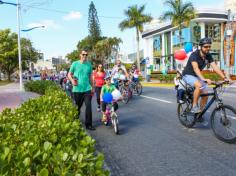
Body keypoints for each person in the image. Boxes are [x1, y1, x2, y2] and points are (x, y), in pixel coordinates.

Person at [182, 37, 229, 115]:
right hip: (188, 75)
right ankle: (194, 106)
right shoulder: (195, 55)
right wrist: (204, 79)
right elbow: (196, 68)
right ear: (201, 47)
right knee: (199, 85)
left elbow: (215, 67)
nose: (208, 48)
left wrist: (224, 77)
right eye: (206, 46)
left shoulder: (208, 55)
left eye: (209, 46)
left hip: (196, 76)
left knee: (205, 94)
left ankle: (199, 114)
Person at [68, 49, 95, 130]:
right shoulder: (75, 64)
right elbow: (69, 74)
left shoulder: (89, 65)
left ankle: (89, 124)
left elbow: (90, 77)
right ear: (80, 55)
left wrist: (92, 87)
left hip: (87, 89)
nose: (85, 56)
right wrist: (72, 80)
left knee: (88, 106)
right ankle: (75, 122)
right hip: (77, 89)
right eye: (83, 54)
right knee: (77, 107)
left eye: (86, 55)